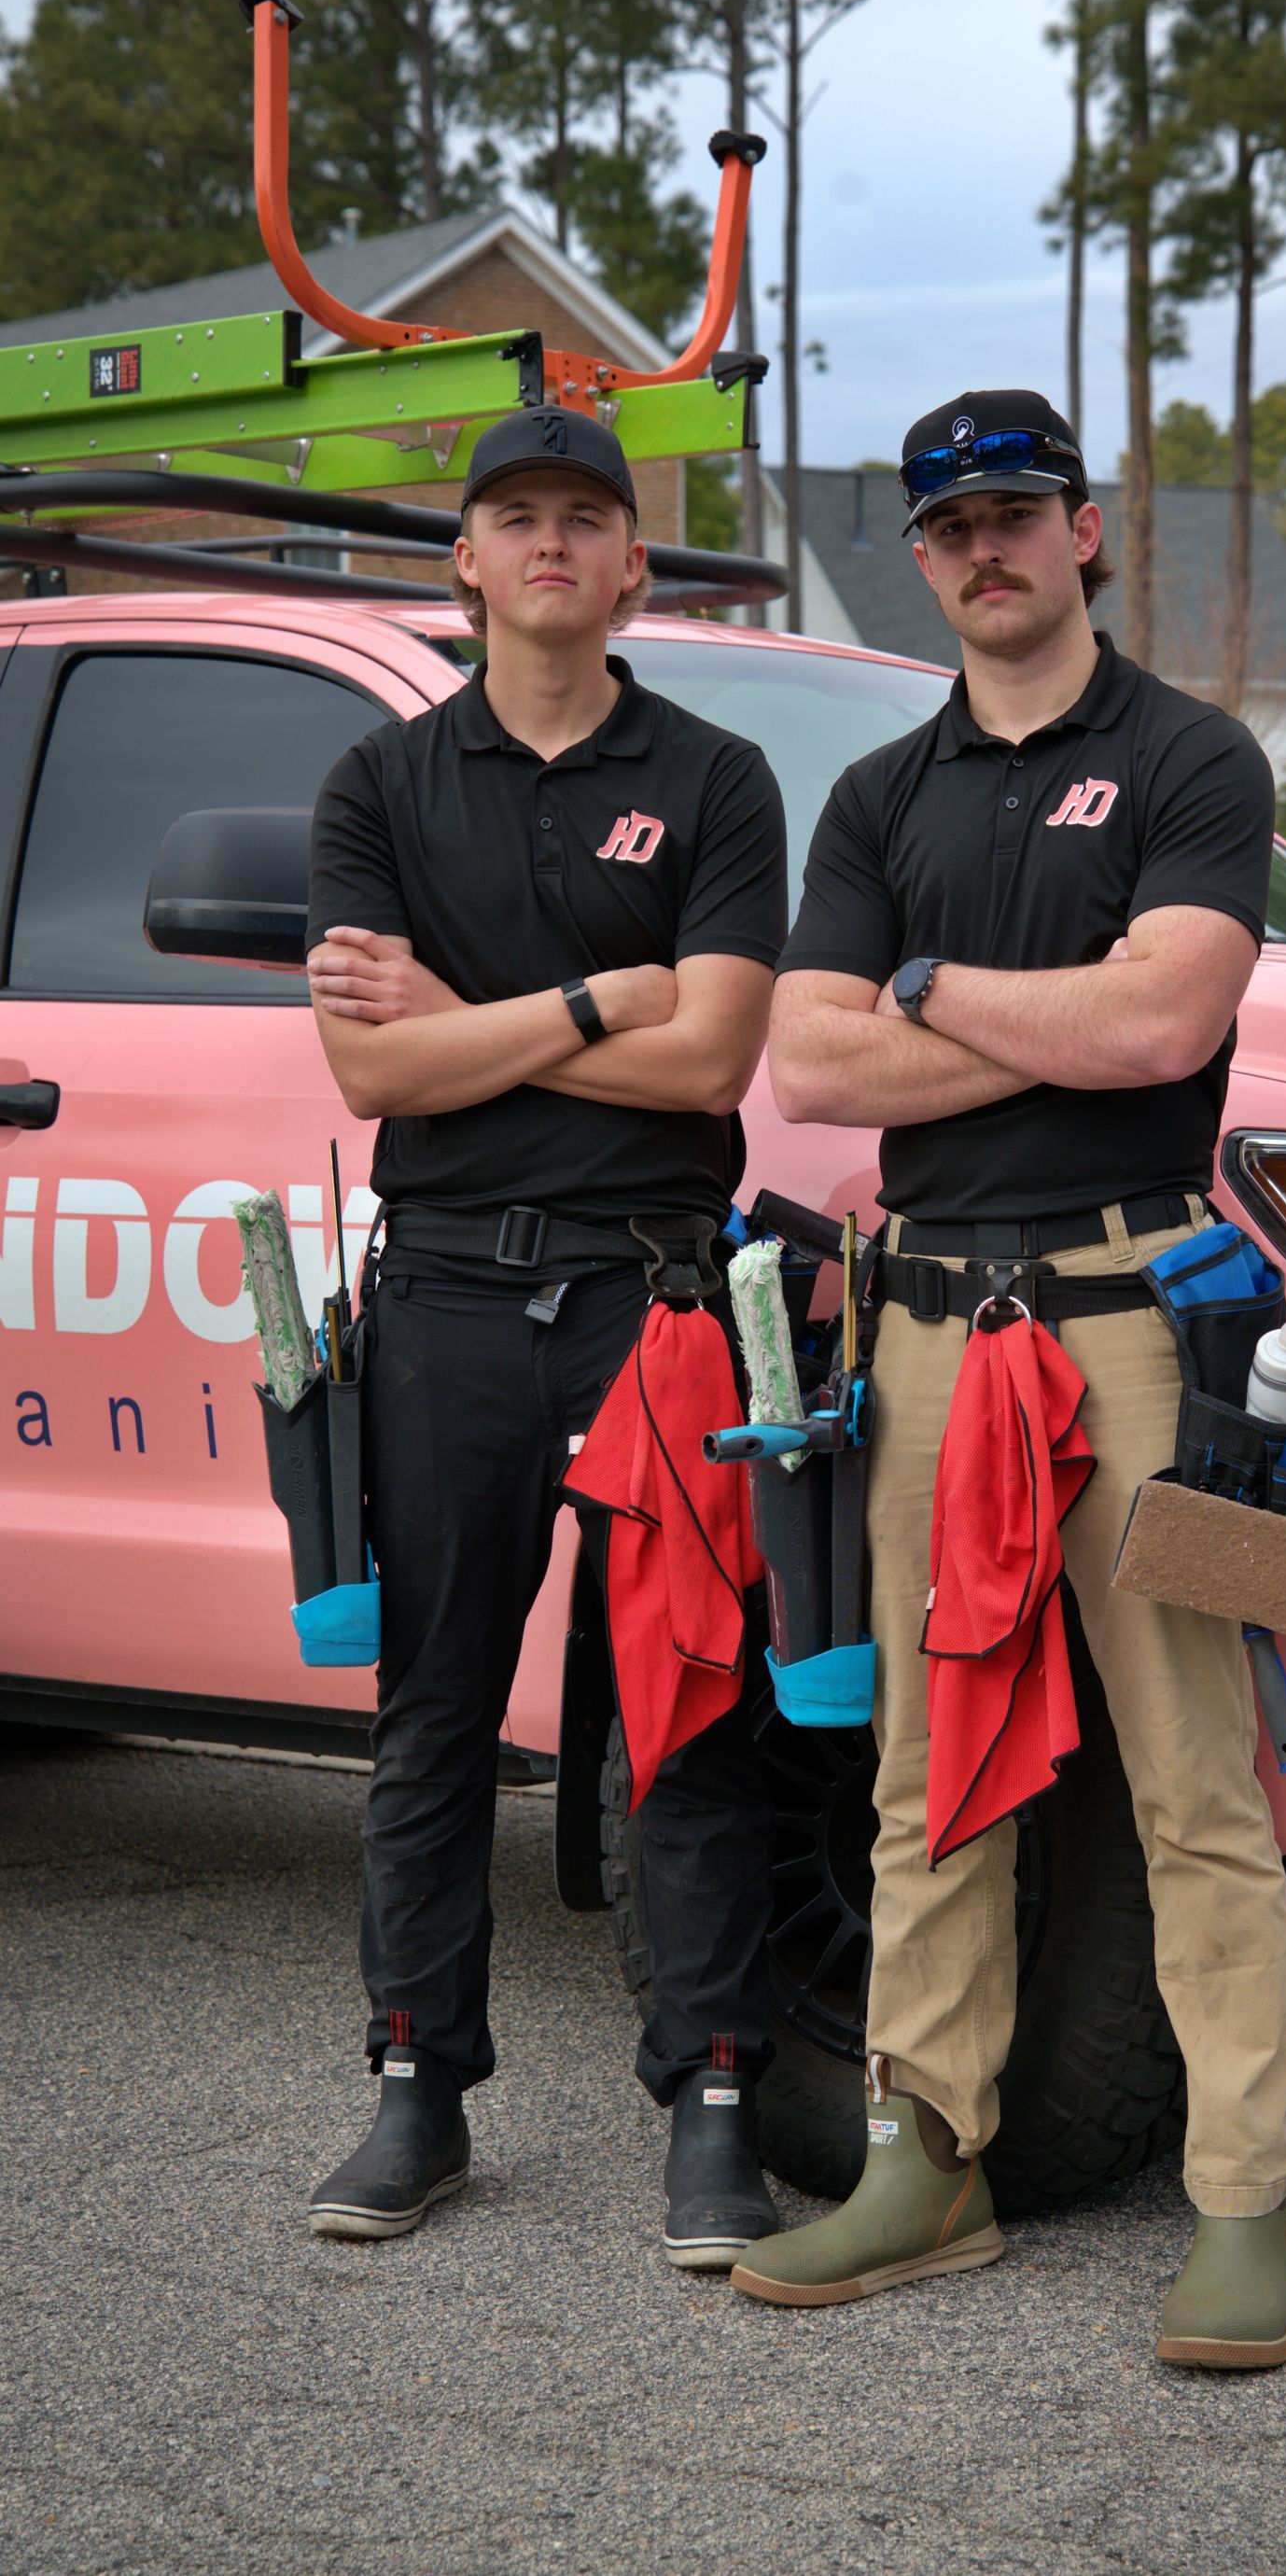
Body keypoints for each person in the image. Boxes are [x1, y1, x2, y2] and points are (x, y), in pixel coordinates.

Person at [732, 388, 1286, 2367]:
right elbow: (808, 1068)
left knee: (1195, 1782)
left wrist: (925, 990)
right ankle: (928, 2156)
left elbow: (1170, 1020)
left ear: (1087, 531)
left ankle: (1243, 2203)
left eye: (1017, 512)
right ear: (923, 559)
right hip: (920, 1335)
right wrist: (1051, 1024)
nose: (986, 548)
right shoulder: (880, 796)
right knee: (924, 1778)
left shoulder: (1190, 757)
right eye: (950, 524)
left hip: (1147, 1325)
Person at [301, 404, 788, 2267]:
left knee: (688, 1701)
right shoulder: (378, 785)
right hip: (440, 1293)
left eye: (590, 515)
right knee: (432, 1704)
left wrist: (474, 1018)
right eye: (518, 516)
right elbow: (371, 1065)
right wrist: (600, 993)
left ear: (634, 562)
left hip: (658, 1291)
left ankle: (716, 2099)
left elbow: (717, 1058)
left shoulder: (721, 777)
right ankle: (419, 2087)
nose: (554, 542)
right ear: (469, 561)